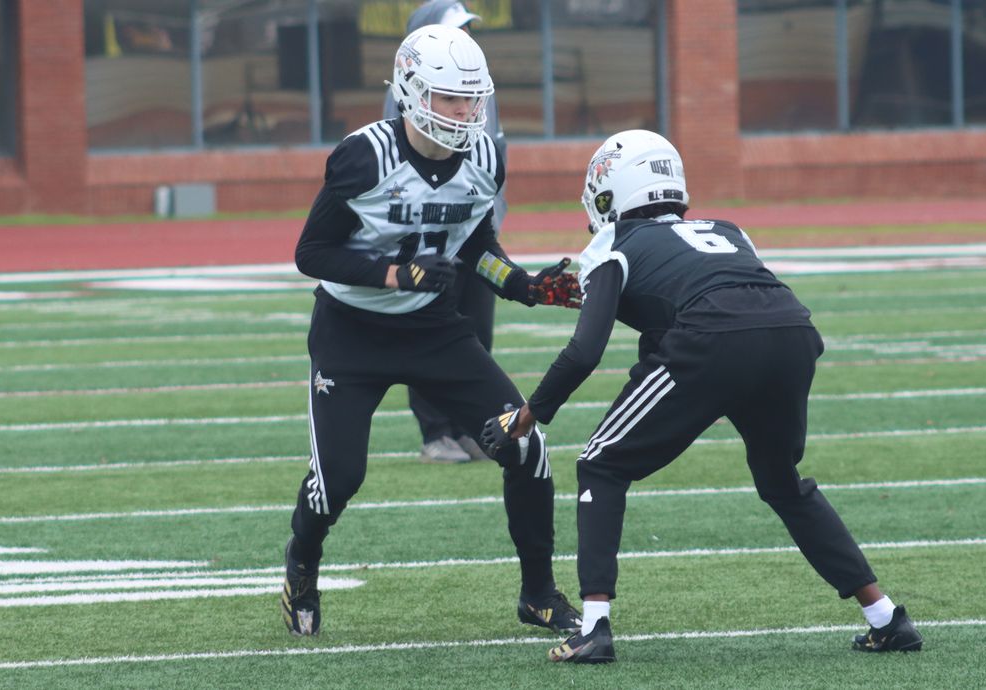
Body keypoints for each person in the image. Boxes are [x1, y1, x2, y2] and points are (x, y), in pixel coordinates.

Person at [481, 130, 923, 663]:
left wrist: (525, 417)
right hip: (791, 333)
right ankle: (886, 617)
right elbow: (704, 295)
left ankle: (593, 628)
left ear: (610, 192)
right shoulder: (728, 230)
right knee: (783, 483)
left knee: (600, 464)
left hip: (712, 340)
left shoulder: (611, 244)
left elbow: (584, 352)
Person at [280, 24, 582, 638]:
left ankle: (539, 594)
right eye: (451, 97)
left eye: (473, 98)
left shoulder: (486, 159)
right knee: (338, 480)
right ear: (412, 92)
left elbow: (473, 244)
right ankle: (301, 566)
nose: (466, 112)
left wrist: (523, 285)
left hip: (433, 329)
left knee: (525, 445)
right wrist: (395, 274)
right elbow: (312, 253)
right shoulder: (366, 156)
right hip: (351, 331)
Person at [384, 0, 506, 464]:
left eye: (468, 29)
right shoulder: (408, 93)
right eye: (455, 29)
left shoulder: (480, 89)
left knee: (476, 336)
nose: (466, 38)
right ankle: (435, 431)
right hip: (427, 238)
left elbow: (491, 158)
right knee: (427, 336)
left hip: (473, 231)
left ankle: (471, 426)